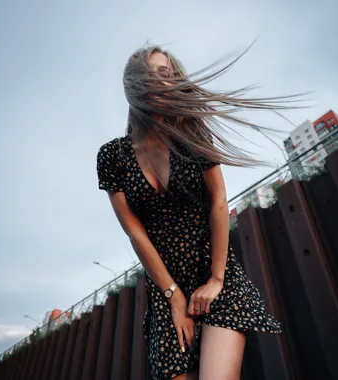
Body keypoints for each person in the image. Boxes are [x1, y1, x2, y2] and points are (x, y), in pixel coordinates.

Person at [96, 44, 285, 380]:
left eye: (167, 75)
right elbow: (134, 230)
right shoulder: (113, 157)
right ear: (133, 84)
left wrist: (216, 279)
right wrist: (173, 297)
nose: (161, 82)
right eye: (152, 74)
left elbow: (217, 202)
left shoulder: (191, 137)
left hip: (214, 277)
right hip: (166, 291)